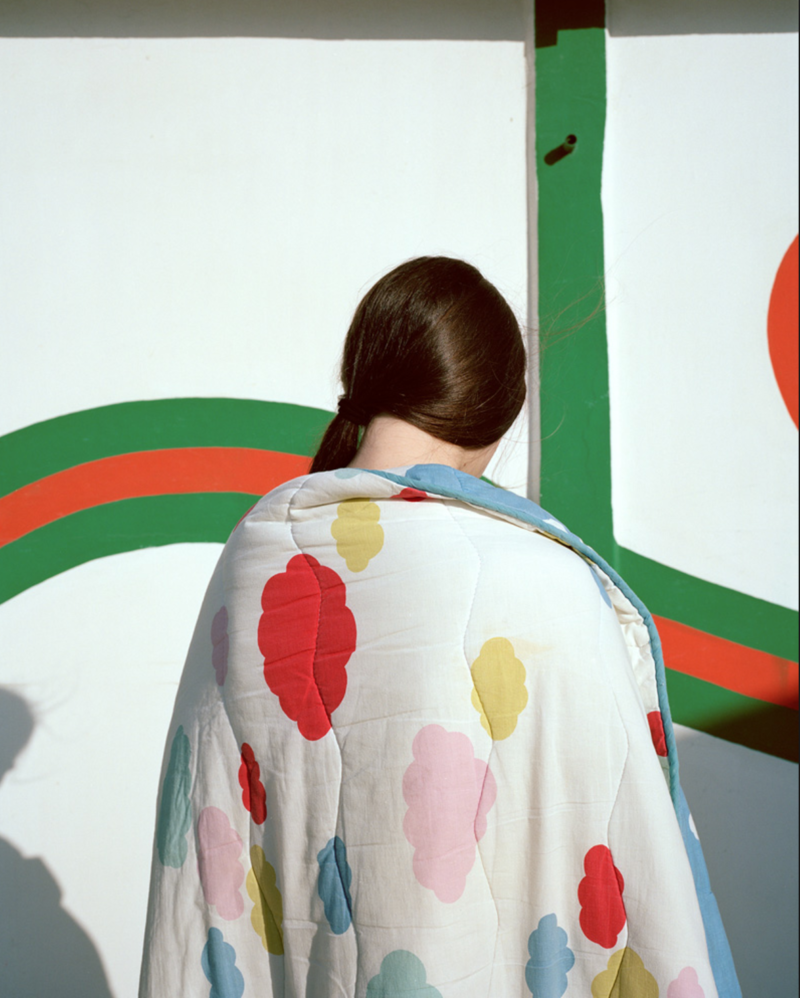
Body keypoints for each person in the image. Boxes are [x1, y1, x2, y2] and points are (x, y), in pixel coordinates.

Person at [139, 258, 740, 998]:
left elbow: (202, 851)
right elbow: (628, 870)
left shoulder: (251, 559)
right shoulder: (544, 586)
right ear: (498, 414)